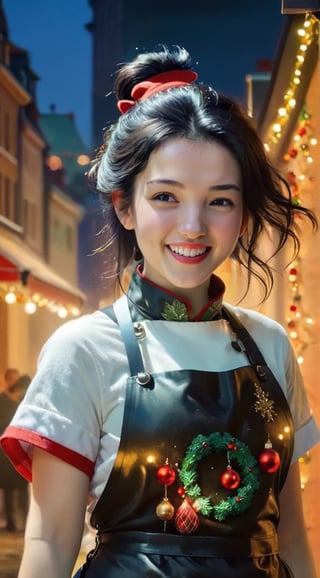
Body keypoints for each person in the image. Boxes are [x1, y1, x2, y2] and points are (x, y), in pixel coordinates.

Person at [0, 46, 319, 578]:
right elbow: (49, 541)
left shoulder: (271, 344)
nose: (192, 226)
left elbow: (292, 538)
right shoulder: (81, 350)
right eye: (166, 196)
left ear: (242, 215)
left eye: (220, 200)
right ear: (124, 205)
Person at [0, 374, 30, 532]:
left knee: (21, 487)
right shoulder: (3, 401)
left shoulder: (21, 401)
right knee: (9, 489)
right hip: (4, 451)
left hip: (18, 448)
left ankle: (25, 521)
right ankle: (11, 522)